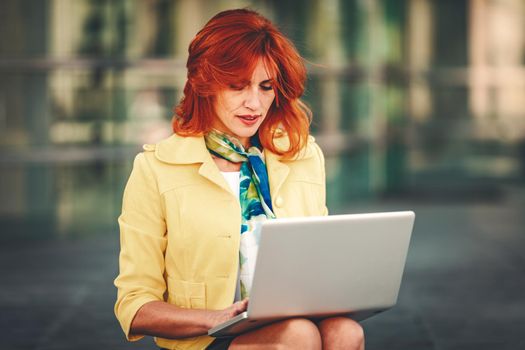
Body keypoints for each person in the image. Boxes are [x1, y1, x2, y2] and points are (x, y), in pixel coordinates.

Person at [114, 8, 365, 350]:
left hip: (293, 323)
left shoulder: (304, 157)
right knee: (297, 335)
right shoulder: (155, 168)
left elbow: (315, 265)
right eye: (237, 86)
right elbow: (135, 306)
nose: (254, 103)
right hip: (208, 340)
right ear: (206, 85)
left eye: (266, 87)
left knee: (345, 331)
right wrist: (214, 318)